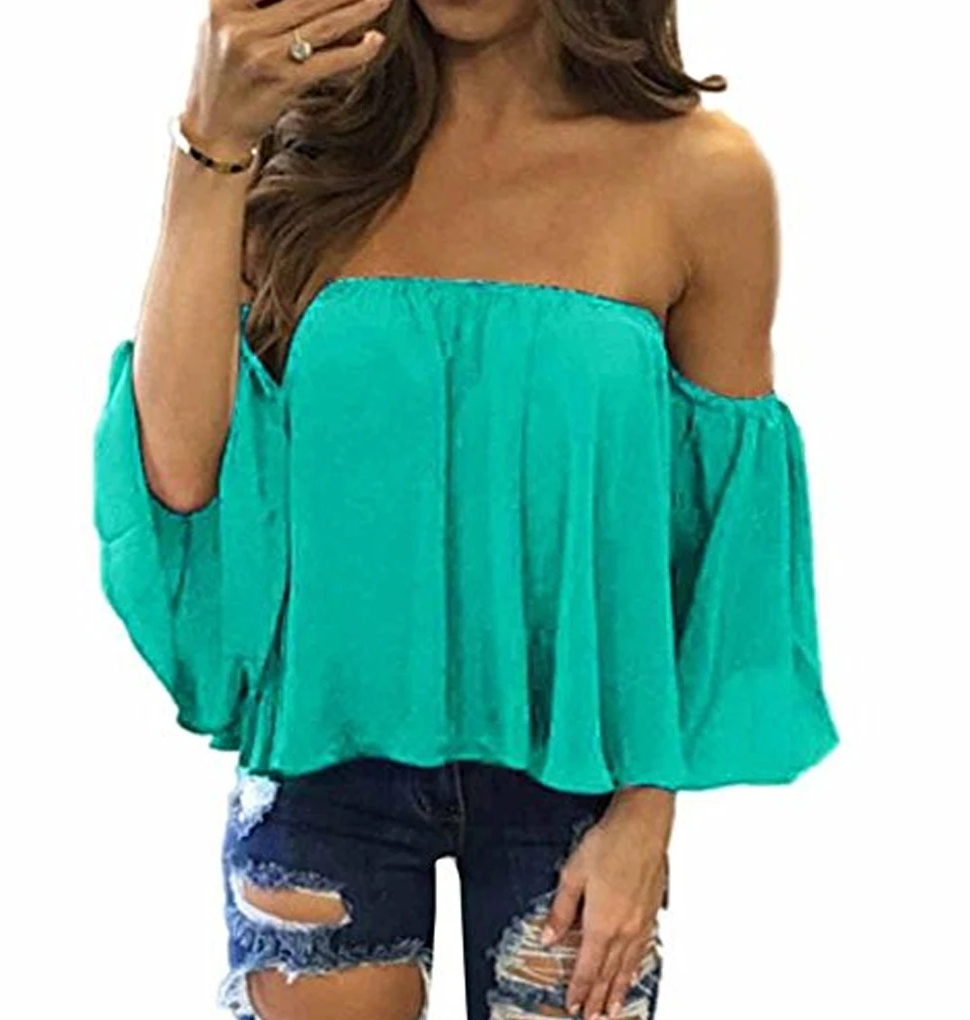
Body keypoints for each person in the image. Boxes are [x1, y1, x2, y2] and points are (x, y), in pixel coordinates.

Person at [91, 1, 841, 1018]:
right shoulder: (306, 154)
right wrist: (210, 142)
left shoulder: (702, 177)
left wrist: (648, 812)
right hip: (323, 762)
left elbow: (718, 544)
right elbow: (181, 477)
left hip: (579, 778)